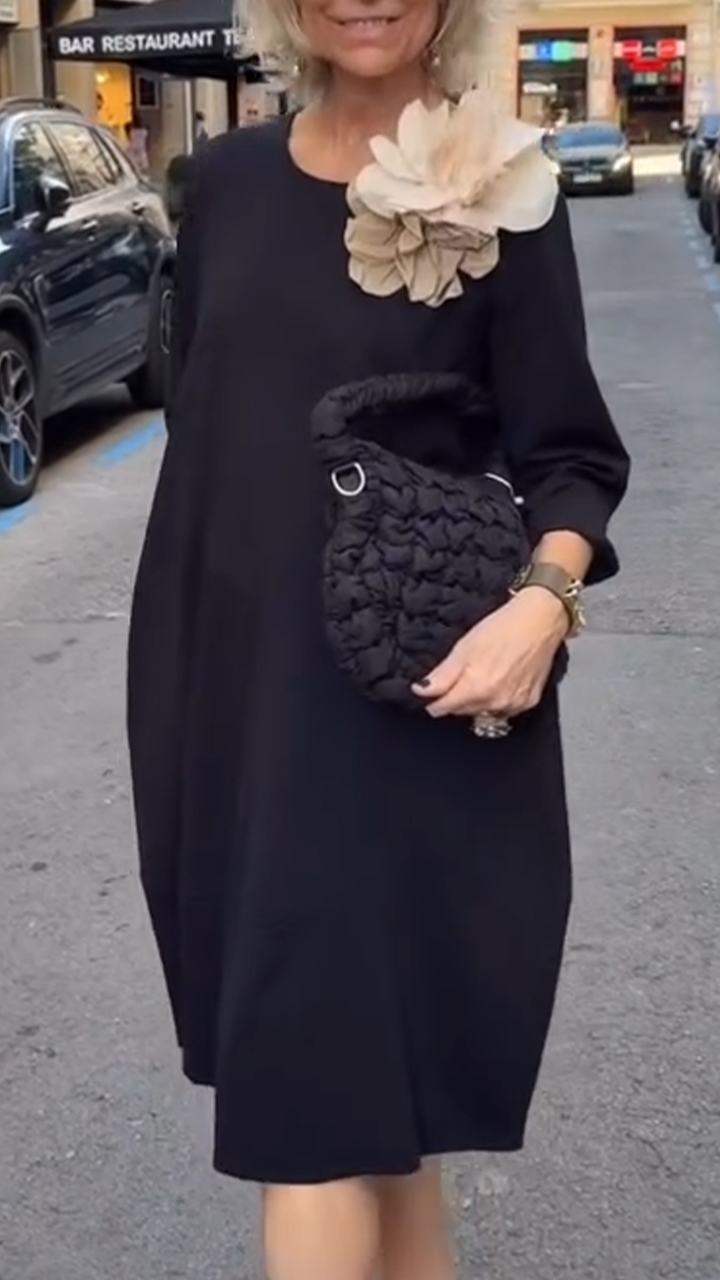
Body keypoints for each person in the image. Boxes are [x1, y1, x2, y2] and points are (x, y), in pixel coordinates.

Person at [127, 0, 630, 1276]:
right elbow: (211, 435)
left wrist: (543, 603)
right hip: (236, 692)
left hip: (408, 701)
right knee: (377, 1124)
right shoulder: (227, 184)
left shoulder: (509, 191)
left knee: (313, 1115)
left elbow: (571, 456)